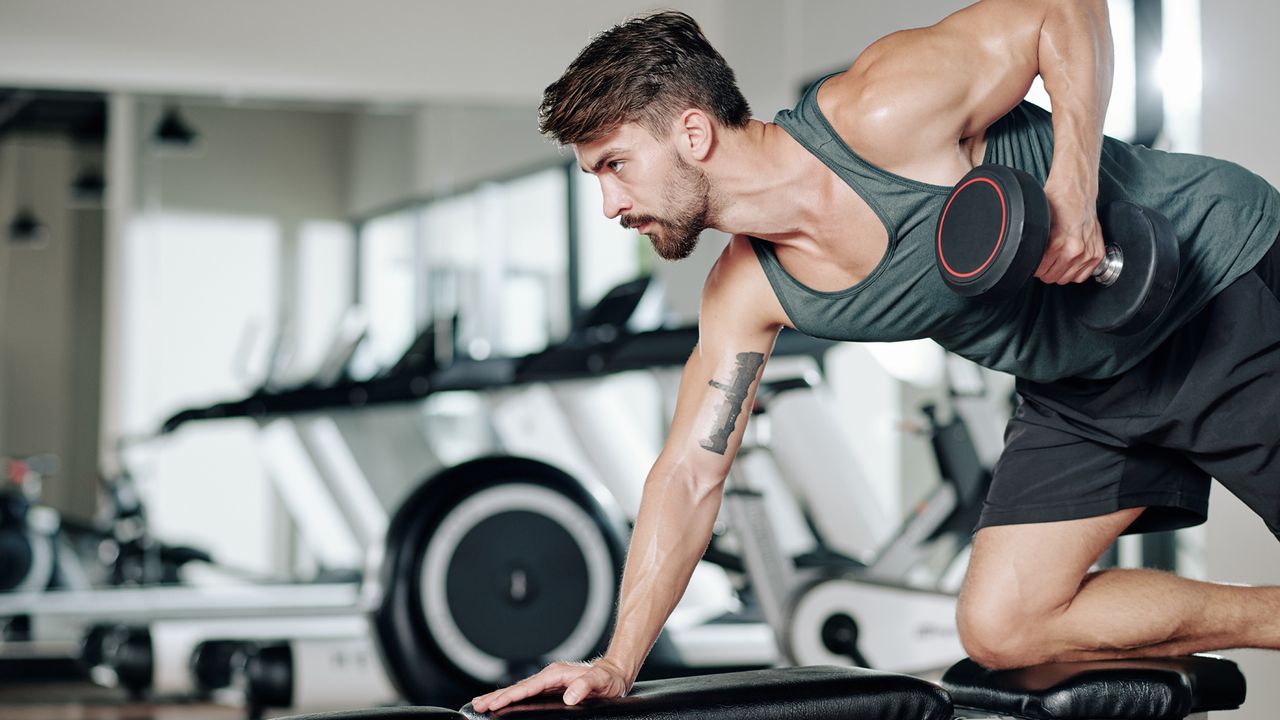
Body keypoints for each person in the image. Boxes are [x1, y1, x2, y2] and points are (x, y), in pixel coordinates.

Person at [472, 0, 1280, 712]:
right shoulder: (748, 292)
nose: (611, 204)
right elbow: (690, 470)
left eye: (615, 166)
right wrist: (617, 661)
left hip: (1214, 284)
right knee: (1003, 623)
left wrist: (1072, 184)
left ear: (692, 131)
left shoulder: (882, 108)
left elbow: (1061, 10)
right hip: (1079, 383)